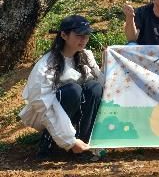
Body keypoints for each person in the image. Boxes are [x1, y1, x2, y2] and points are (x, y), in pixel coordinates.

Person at [20, 15, 104, 159]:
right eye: (79, 35)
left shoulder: (85, 57)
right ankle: (49, 144)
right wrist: (69, 140)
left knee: (94, 87)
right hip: (46, 114)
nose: (83, 39)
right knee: (73, 91)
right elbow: (43, 105)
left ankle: (84, 143)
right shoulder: (47, 65)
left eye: (86, 35)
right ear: (64, 35)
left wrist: (106, 63)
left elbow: (102, 86)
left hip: (73, 112)